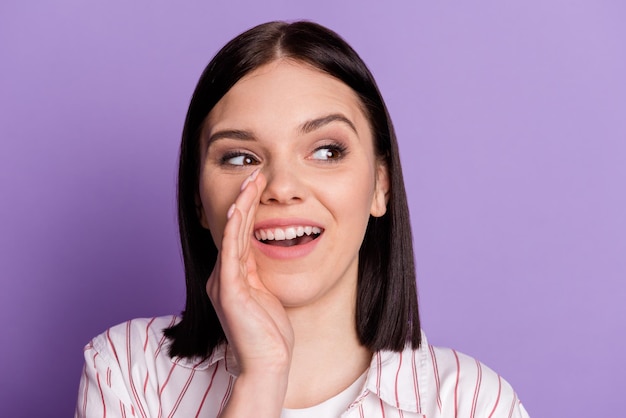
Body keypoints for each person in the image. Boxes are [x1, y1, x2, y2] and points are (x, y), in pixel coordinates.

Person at [75, 21, 530, 418]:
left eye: (327, 151)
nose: (281, 187)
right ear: (198, 199)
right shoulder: (127, 371)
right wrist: (262, 377)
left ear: (380, 186)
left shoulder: (473, 404)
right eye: (239, 157)